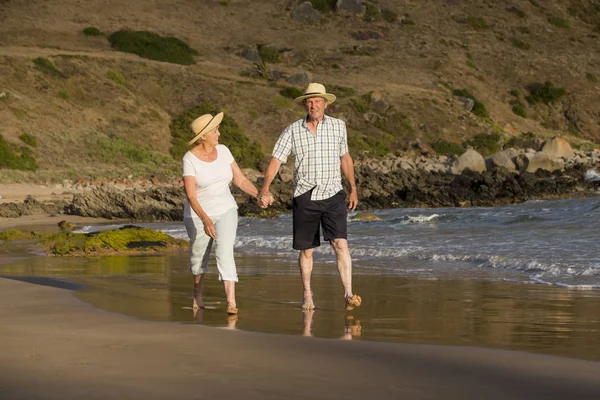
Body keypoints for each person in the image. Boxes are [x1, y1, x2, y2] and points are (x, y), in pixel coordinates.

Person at [258, 82, 361, 311]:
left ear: (325, 103)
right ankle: (307, 293)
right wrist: (265, 188)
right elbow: (276, 160)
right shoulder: (293, 130)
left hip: (334, 193)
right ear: (305, 104)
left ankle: (348, 294)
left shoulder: (338, 127)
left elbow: (345, 158)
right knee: (307, 249)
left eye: (317, 101)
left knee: (340, 243)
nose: (313, 105)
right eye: (310, 101)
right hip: (305, 195)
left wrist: (353, 187)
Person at [182, 112, 266, 315]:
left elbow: (240, 180)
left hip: (226, 209)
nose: (219, 133)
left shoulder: (224, 151)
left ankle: (231, 302)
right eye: (214, 131)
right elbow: (191, 195)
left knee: (224, 251)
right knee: (198, 257)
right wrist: (205, 219)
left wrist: (259, 194)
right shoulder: (189, 159)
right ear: (203, 136)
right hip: (198, 214)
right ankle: (197, 294)